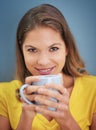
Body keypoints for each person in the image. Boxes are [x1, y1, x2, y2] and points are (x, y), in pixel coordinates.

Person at [0, 3, 96, 130]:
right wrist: (25, 119)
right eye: (32, 50)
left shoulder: (93, 89)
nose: (43, 62)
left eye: (53, 48)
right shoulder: (4, 94)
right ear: (22, 50)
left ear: (67, 48)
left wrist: (67, 120)